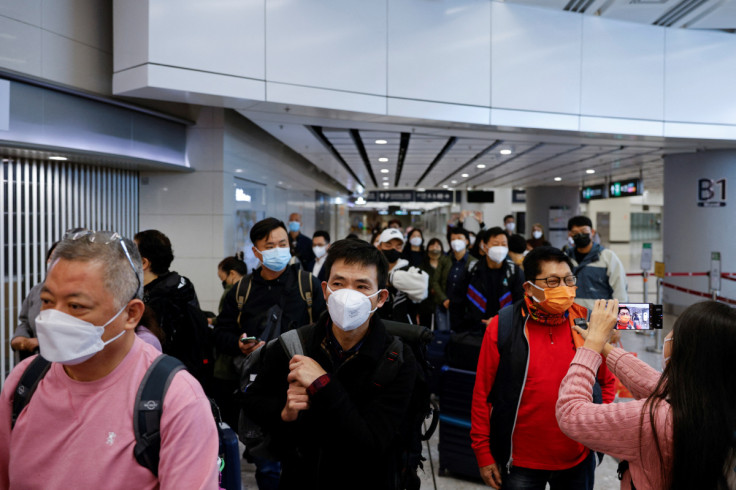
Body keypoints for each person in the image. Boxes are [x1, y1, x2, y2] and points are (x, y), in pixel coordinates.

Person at [0, 229, 218, 488]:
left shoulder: (175, 399)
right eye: (47, 301)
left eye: (76, 306)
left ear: (130, 315)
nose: (52, 318)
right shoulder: (25, 381)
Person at [241, 239, 417, 489]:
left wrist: (322, 383)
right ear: (325, 290)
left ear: (381, 298)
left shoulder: (396, 360)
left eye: (362, 286)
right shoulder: (294, 345)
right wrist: (283, 412)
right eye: (339, 283)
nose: (348, 295)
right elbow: (253, 401)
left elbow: (372, 443)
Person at [471, 246, 616, 490]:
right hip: (520, 460)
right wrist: (483, 452)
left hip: (577, 457)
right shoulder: (502, 326)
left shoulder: (588, 323)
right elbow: (483, 394)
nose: (564, 288)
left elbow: (606, 382)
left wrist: (598, 428)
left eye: (569, 280)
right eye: (553, 281)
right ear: (529, 287)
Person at [557, 300, 736, 490]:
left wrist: (591, 346)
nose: (668, 336)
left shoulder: (653, 420)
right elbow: (658, 385)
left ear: (689, 353)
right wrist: (604, 347)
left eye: (676, 332)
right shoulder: (714, 397)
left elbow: (570, 413)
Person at [214, 217, 326, 490]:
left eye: (283, 243)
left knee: (303, 462)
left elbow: (325, 329)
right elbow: (221, 332)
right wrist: (238, 344)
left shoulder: (307, 285)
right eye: (270, 245)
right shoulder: (241, 291)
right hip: (260, 390)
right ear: (256, 251)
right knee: (267, 467)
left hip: (301, 387)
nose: (279, 249)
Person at [134, 229, 212, 386]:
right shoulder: (181, 284)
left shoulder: (160, 297)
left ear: (144, 263)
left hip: (164, 378)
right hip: (189, 373)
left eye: (131, 253)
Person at [211, 255, 248, 429]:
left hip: (227, 363)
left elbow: (224, 328)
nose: (223, 282)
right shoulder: (251, 289)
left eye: (222, 277)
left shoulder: (231, 292)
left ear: (232, 274)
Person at [463, 227, 524, 332]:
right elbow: (460, 300)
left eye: (504, 244)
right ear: (485, 246)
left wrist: (498, 321)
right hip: (474, 331)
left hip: (506, 330)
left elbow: (520, 303)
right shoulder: (472, 269)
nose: (500, 248)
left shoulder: (515, 272)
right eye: (495, 244)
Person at [566, 216, 628, 310]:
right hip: (571, 316)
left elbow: (620, 289)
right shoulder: (565, 258)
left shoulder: (607, 257)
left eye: (584, 231)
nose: (580, 235)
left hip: (600, 316)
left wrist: (620, 312)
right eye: (575, 232)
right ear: (570, 235)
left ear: (592, 232)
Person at [11, 242, 58, 360]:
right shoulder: (36, 290)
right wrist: (20, 338)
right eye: (52, 258)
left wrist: (40, 342)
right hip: (34, 360)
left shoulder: (77, 296)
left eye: (60, 258)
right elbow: (25, 321)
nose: (54, 262)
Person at [375, 228, 429, 324]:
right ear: (379, 247)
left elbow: (423, 289)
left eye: (398, 246)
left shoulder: (409, 269)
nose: (393, 249)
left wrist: (391, 278)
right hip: (377, 327)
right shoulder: (372, 270)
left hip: (403, 330)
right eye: (388, 245)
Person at [432, 227, 477, 331]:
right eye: (453, 239)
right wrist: (444, 299)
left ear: (467, 241)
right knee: (443, 337)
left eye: (459, 238)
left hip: (464, 308)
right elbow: (435, 281)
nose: (456, 241)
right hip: (444, 305)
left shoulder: (473, 262)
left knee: (461, 337)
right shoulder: (444, 259)